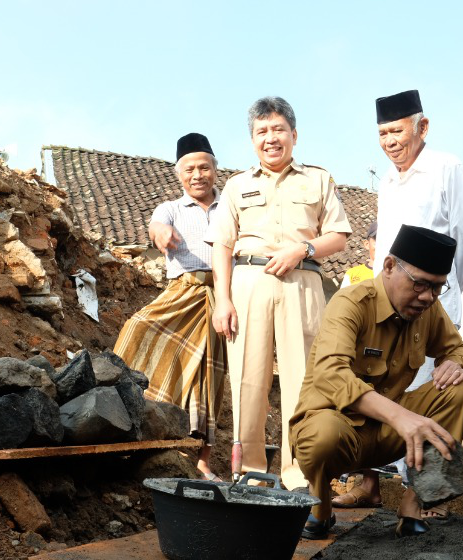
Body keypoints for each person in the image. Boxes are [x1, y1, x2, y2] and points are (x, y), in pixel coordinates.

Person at [333, 88, 463, 513]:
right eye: (382, 134)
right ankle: (370, 486)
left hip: (432, 307)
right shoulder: (387, 182)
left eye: (396, 131)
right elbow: (384, 256)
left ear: (422, 127)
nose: (390, 141)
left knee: (432, 394)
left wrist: (445, 293)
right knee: (378, 384)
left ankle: (425, 496)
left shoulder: (447, 169)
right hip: (386, 307)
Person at [290, 224, 463, 539]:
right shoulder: (351, 303)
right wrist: (401, 417)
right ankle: (320, 505)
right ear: (389, 266)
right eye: (419, 284)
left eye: (437, 287)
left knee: (458, 393)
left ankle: (414, 505)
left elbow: (456, 348)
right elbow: (331, 373)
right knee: (323, 434)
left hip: (387, 437)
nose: (427, 297)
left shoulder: (427, 308)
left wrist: (456, 364)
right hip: (339, 432)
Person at [208, 96, 351, 489]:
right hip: (248, 283)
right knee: (248, 379)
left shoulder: (318, 180)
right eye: (262, 131)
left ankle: (298, 477)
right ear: (252, 139)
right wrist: (223, 299)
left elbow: (338, 236)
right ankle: (250, 473)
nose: (270, 138)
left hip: (303, 281)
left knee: (302, 380)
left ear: (294, 134)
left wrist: (301, 249)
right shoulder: (237, 186)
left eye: (278, 130)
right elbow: (221, 244)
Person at [114, 132, 226, 481]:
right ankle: (127, 409)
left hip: (222, 297)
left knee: (210, 378)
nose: (198, 175)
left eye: (204, 167)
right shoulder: (171, 208)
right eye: (190, 169)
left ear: (214, 169)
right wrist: (159, 233)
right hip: (182, 293)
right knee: (138, 327)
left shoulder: (231, 205)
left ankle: (202, 461)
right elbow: (156, 226)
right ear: (179, 174)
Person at [339, 221, 377, 288]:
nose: (382, 244)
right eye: (377, 240)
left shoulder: (396, 275)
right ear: (367, 244)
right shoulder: (352, 274)